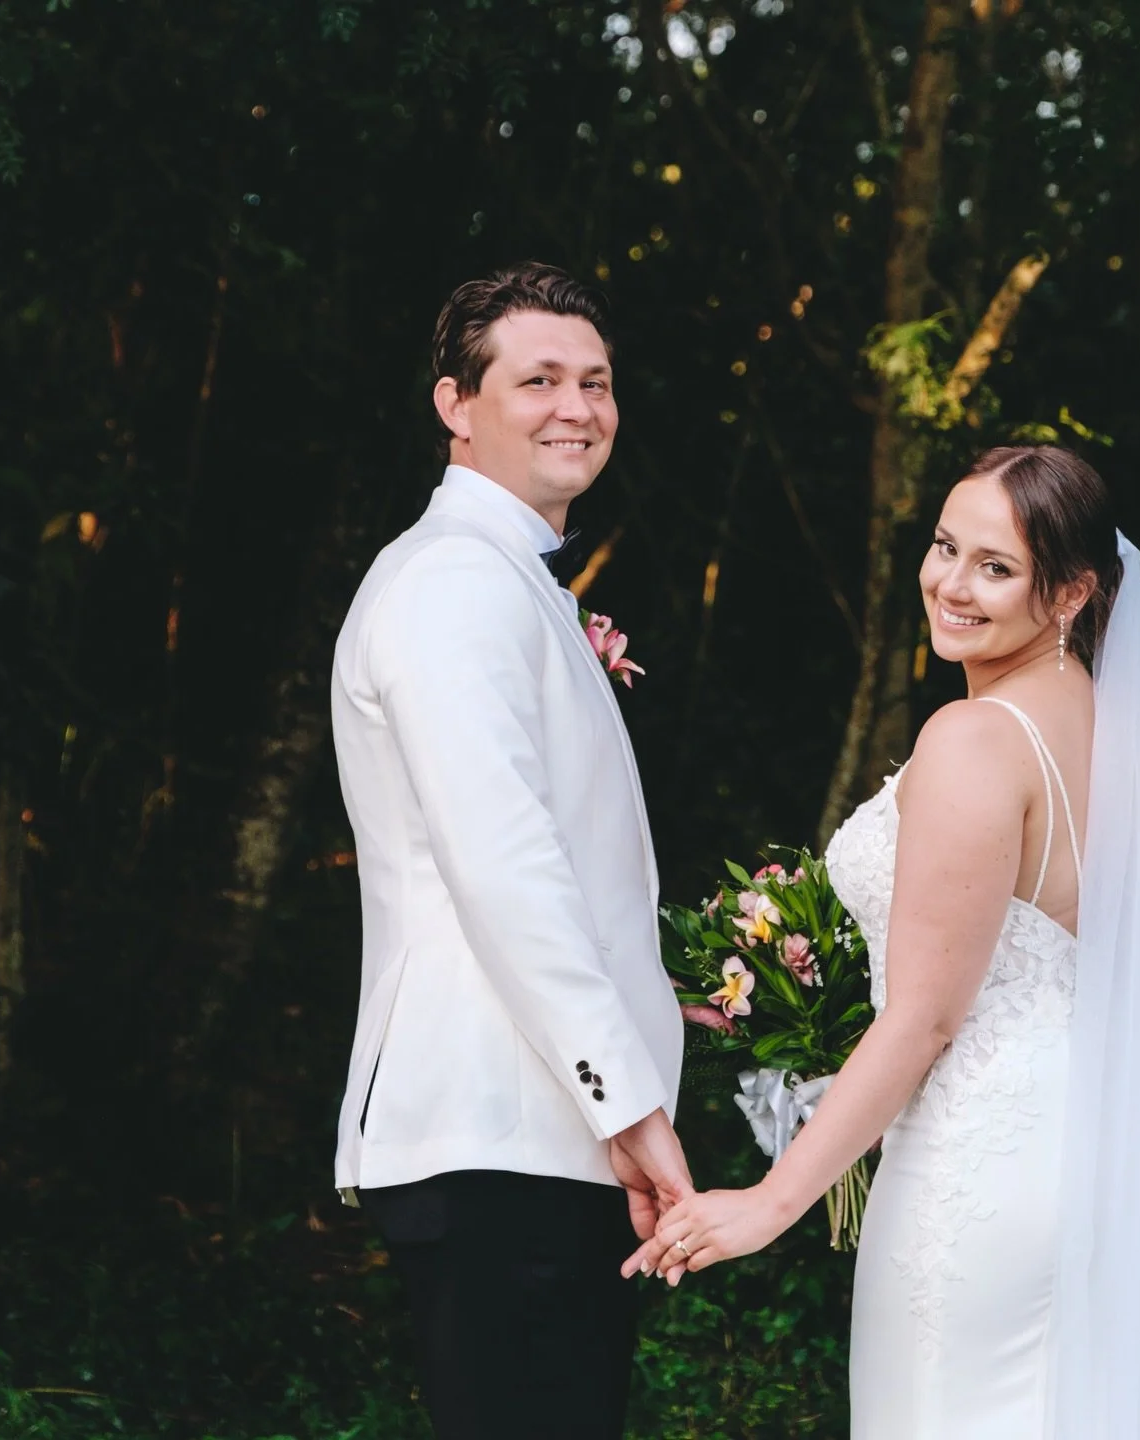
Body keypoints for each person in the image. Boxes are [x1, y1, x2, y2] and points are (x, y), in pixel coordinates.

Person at [627, 446, 1140, 1438]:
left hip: (980, 1173)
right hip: (1095, 1159)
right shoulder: (1108, 727)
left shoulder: (975, 740)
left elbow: (923, 1018)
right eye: (944, 547)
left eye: (994, 567)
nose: (951, 584)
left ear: (1071, 593)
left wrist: (770, 1200)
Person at [331, 261, 689, 1440]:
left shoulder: (510, 581)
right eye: (537, 379)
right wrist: (631, 1108)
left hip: (536, 1146)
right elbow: (504, 868)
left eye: (595, 381)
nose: (576, 406)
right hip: (505, 1136)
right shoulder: (450, 587)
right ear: (456, 404)